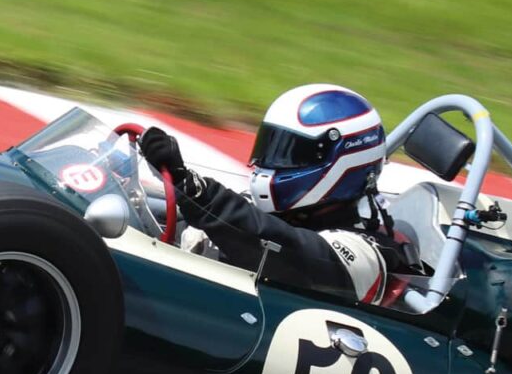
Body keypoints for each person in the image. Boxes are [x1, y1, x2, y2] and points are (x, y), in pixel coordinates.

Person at [140, 84, 433, 309]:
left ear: (344, 162)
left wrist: (191, 186)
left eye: (289, 153)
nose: (272, 162)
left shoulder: (368, 253)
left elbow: (284, 247)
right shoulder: (276, 214)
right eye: (272, 147)